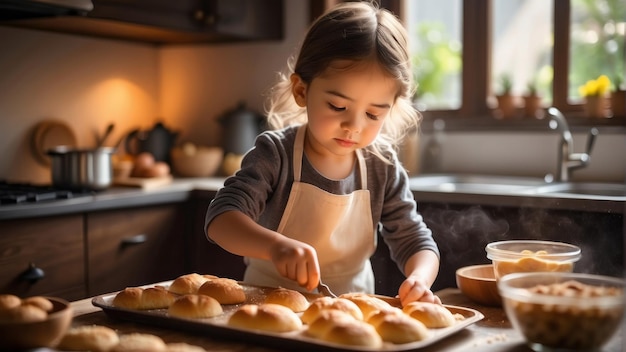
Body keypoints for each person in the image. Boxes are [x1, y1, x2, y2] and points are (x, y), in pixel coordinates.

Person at [205, 1, 441, 305]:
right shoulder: (276, 154)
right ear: (302, 91)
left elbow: (415, 240)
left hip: (351, 316)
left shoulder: (381, 167)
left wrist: (420, 278)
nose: (353, 126)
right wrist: (275, 246)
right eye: (338, 107)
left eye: (373, 114)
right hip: (270, 311)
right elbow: (221, 219)